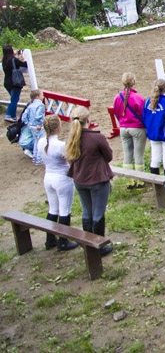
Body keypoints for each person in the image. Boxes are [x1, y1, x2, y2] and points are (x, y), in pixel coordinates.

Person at [66, 106, 114, 256]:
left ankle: (89, 244)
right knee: (98, 214)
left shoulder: (72, 138)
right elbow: (109, 156)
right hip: (97, 180)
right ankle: (98, 247)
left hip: (79, 180)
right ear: (88, 120)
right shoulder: (96, 138)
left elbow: (69, 158)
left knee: (87, 213)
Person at [39, 115, 78, 251]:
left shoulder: (40, 142)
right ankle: (63, 241)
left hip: (48, 177)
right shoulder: (60, 145)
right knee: (64, 210)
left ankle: (50, 240)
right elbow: (70, 160)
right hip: (62, 179)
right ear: (57, 127)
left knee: (53, 209)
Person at [142, 79, 165, 194]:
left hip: (153, 135)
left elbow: (144, 117)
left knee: (155, 159)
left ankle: (157, 186)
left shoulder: (147, 101)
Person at [113, 73, 147, 189]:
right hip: (137, 128)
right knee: (138, 155)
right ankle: (141, 181)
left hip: (123, 128)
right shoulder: (138, 97)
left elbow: (116, 113)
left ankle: (129, 182)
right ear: (134, 82)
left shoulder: (117, 97)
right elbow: (144, 114)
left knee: (127, 154)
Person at [2, 44, 27, 122]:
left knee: (13, 99)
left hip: (7, 82)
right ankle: (11, 116)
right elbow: (25, 64)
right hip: (14, 83)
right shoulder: (14, 60)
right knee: (14, 100)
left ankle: (8, 114)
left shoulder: (4, 60)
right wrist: (23, 56)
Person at [19, 89, 45, 164]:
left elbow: (24, 116)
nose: (43, 97)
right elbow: (38, 116)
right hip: (38, 127)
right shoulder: (40, 105)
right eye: (42, 95)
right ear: (37, 97)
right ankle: (39, 159)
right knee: (40, 142)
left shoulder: (30, 105)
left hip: (32, 126)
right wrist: (39, 124)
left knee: (36, 141)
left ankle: (35, 157)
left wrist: (28, 124)